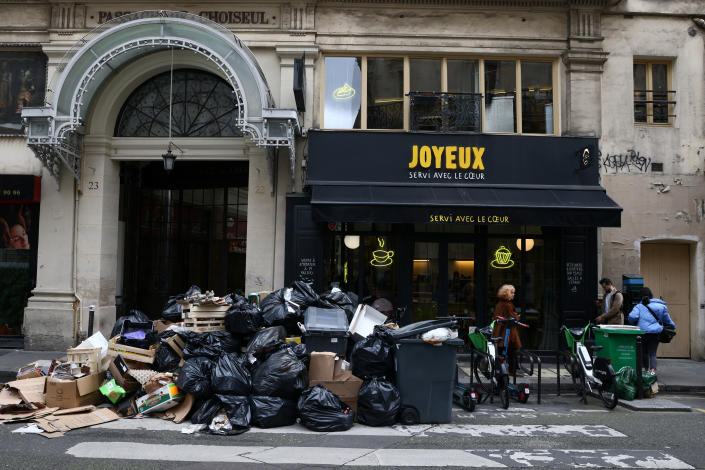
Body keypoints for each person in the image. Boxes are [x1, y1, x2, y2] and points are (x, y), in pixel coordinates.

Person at [627, 287, 676, 373]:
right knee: (652, 353)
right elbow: (667, 320)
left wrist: (633, 323)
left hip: (642, 332)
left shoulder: (639, 306)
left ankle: (646, 371)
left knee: (643, 353)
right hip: (656, 332)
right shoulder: (661, 306)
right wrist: (672, 326)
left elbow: (632, 317)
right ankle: (652, 372)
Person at [492, 284, 522, 375]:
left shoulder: (499, 304)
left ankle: (499, 370)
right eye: (512, 293)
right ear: (507, 294)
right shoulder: (508, 305)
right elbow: (513, 318)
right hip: (508, 332)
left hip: (500, 331)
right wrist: (517, 316)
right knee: (512, 351)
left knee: (501, 351)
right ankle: (511, 371)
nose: (513, 294)